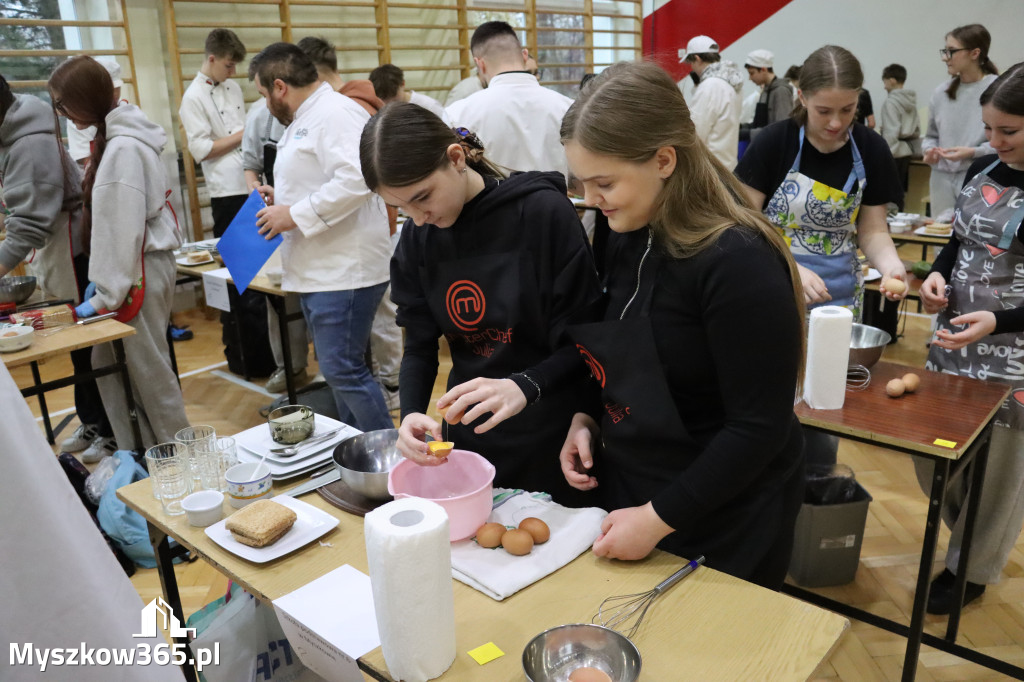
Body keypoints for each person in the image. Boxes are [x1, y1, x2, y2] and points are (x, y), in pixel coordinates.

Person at [558, 61, 806, 589]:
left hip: (725, 514)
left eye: (603, 182)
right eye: (581, 181)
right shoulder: (626, 226)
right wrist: (589, 416)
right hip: (640, 490)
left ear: (664, 160)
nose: (590, 197)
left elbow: (758, 428)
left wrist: (657, 518)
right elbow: (618, 342)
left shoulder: (737, 260)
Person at [360, 101, 601, 501]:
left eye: (423, 198)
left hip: (557, 430)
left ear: (456, 158)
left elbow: (587, 340)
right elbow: (419, 346)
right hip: (474, 434)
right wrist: (411, 414)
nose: (419, 218)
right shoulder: (418, 239)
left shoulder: (541, 213)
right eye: (401, 208)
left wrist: (525, 384)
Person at [916, 63, 1024, 615]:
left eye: (1009, 130)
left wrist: (1000, 323)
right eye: (989, 127)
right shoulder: (986, 166)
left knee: (1000, 473)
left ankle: (969, 568)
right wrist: (935, 275)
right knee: (933, 456)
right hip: (956, 338)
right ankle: (976, 538)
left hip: (1015, 357)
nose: (993, 141)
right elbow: (960, 241)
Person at [249, 43, 393, 432]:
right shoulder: (308, 117)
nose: (265, 105)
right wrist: (286, 200)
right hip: (323, 268)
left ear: (280, 86)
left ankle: (390, 459)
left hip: (343, 269)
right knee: (343, 373)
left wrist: (293, 213)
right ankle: (360, 451)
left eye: (263, 95)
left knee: (343, 371)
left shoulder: (335, 113)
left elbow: (359, 179)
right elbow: (326, 179)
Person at [48, 56, 189, 451]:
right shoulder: (118, 138)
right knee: (112, 368)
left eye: (63, 103)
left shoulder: (123, 148)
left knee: (149, 375)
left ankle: (183, 461)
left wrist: (105, 295)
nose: (61, 113)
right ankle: (145, 457)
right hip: (136, 265)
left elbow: (120, 230)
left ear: (86, 98)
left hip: (136, 268)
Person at [736, 45, 907, 322]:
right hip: (770, 285)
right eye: (824, 111)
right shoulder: (774, 143)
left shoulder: (871, 148)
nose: (836, 123)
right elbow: (742, 226)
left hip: (839, 298)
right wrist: (789, 267)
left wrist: (891, 267)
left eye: (848, 109)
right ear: (802, 97)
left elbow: (873, 232)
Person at [0, 73, 116, 461]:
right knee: (75, 346)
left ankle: (110, 428)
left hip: (71, 246)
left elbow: (29, 223)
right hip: (56, 244)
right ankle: (92, 419)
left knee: (87, 344)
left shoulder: (29, 143)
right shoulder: (15, 127)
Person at [300, 37, 402, 411]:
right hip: (371, 232)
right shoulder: (349, 103)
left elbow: (356, 179)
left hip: (362, 242)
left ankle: (389, 389)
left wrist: (295, 212)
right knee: (371, 330)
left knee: (368, 337)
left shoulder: (344, 108)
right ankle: (388, 385)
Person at [240, 96, 311, 394]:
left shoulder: (319, 112)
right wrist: (256, 190)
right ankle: (289, 365)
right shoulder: (259, 115)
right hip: (278, 218)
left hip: (315, 216)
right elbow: (251, 166)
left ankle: (334, 370)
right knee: (280, 296)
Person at [445, 21, 573, 176]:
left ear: (480, 64)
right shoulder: (569, 107)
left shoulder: (457, 114)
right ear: (525, 56)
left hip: (493, 199)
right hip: (558, 198)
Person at [922, 23, 999, 219]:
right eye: (945, 51)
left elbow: (1005, 141)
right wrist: (929, 151)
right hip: (941, 177)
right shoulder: (941, 93)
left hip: (982, 176)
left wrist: (973, 152)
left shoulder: (997, 89)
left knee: (976, 239)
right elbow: (930, 136)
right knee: (940, 240)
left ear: (974, 53)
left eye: (951, 51)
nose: (945, 57)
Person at [178, 28, 248, 237]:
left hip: (250, 181)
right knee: (232, 255)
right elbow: (201, 150)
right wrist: (244, 134)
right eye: (229, 65)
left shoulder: (234, 87)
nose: (233, 72)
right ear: (211, 59)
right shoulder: (193, 97)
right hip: (226, 187)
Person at [679, 35, 744, 170]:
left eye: (691, 63)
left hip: (710, 167)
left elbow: (695, 132)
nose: (692, 68)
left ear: (697, 59)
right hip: (727, 163)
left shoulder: (710, 86)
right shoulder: (732, 82)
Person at [66, 59, 125, 166]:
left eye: (117, 88)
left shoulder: (128, 110)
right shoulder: (79, 119)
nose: (114, 94)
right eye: (109, 89)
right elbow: (84, 158)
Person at [878, 64, 921, 191]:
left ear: (891, 80)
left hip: (893, 153)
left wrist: (886, 156)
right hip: (906, 152)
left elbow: (891, 132)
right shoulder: (911, 101)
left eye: (884, 82)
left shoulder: (890, 102)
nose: (884, 86)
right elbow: (917, 130)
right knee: (900, 192)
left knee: (888, 194)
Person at [369, 63, 450, 123]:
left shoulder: (429, 105)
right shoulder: (377, 109)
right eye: (383, 98)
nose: (388, 103)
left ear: (403, 84)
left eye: (393, 97)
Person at [743, 49, 795, 142]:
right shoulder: (765, 91)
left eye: (752, 73)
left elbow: (781, 128)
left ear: (763, 69)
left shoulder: (781, 91)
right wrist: (743, 127)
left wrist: (747, 134)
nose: (750, 78)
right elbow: (760, 123)